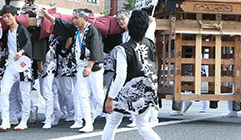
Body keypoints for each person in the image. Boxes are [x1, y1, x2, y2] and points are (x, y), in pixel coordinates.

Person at [43, 7, 104, 133]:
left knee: (98, 94)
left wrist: (89, 66)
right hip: (81, 67)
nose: (74, 21)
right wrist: (46, 14)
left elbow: (96, 48)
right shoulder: (75, 30)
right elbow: (60, 23)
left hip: (93, 67)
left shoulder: (92, 30)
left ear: (84, 18)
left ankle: (112, 116)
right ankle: (87, 122)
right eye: (73, 18)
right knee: (82, 95)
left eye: (76, 18)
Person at [102, 10, 159, 140]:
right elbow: (151, 28)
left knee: (111, 123)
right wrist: (152, 21)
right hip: (146, 90)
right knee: (143, 126)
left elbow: (121, 76)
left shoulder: (123, 49)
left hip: (126, 93)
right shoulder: (150, 42)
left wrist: (111, 98)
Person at [0, 5, 34, 131]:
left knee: (25, 94)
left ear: (15, 16)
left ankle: (24, 120)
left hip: (23, 64)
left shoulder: (21, 29)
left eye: (9, 16)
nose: (7, 19)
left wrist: (21, 51)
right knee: (4, 91)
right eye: (4, 17)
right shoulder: (6, 32)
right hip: (10, 65)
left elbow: (28, 43)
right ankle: (5, 120)